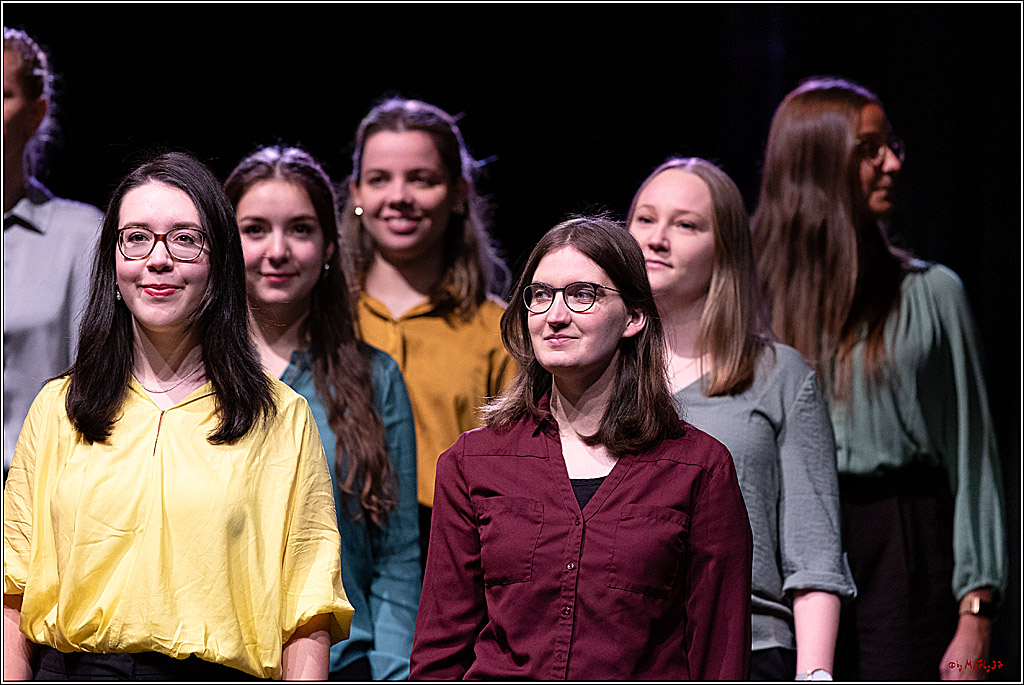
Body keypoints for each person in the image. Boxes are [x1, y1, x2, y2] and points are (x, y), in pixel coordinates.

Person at [3, 151, 353, 680]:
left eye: (185, 239)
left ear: (220, 261)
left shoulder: (280, 417)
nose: (157, 259)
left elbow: (307, 607)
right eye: (136, 237)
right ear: (113, 261)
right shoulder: (60, 407)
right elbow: (13, 586)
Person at [410, 215, 752, 680]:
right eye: (541, 295)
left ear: (633, 317)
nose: (555, 316)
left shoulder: (698, 469)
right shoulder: (473, 464)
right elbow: (440, 649)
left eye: (582, 295)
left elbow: (719, 656)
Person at [751, 76, 1006, 681]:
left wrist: (977, 614)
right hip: (786, 542)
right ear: (817, 164)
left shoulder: (932, 296)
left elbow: (973, 461)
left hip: (903, 548)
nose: (892, 162)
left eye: (892, 144)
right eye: (868, 149)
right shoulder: (751, 300)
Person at [626, 156, 857, 681]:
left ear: (724, 248)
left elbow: (813, 550)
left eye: (685, 224)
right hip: (623, 651)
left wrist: (815, 672)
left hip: (746, 648)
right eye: (645, 218)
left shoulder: (777, 373)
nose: (657, 238)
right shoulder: (597, 372)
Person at [225, 145, 421, 680]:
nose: (278, 250)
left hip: (343, 665)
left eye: (301, 230)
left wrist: (393, 671)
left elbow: (396, 556)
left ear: (330, 244)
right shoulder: (189, 373)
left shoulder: (374, 377)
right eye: (255, 229)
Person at [339, 97, 514, 568]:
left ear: (459, 192)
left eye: (422, 179)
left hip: (452, 559)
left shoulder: (499, 334)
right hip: (328, 551)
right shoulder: (324, 318)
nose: (399, 196)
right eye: (380, 179)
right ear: (356, 192)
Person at [3, 27, 103, 479]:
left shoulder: (81, 236)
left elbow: (104, 394)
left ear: (36, 113)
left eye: (2, 95)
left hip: (32, 498)